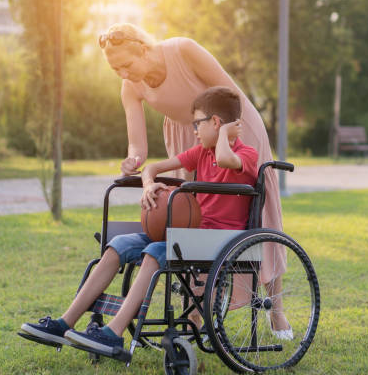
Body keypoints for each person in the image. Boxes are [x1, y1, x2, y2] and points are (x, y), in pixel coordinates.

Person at [21, 86, 288, 356]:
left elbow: (224, 158)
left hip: (217, 241)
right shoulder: (200, 152)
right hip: (185, 235)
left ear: (217, 123)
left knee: (153, 253)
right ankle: (63, 324)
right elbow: (152, 168)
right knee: (118, 245)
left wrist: (222, 136)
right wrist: (148, 185)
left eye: (198, 123)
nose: (194, 130)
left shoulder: (247, 154)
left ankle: (113, 334)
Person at [99, 23, 290, 334]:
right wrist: (133, 159)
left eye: (126, 64)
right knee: (191, 222)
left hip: (233, 129)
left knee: (259, 217)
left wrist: (223, 139)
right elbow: (137, 144)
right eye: (115, 68)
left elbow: (231, 97)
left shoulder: (182, 51)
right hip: (190, 139)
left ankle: (276, 309)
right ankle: (196, 315)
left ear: (144, 49)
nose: (122, 73)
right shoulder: (130, 86)